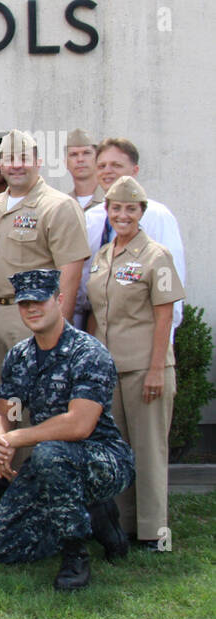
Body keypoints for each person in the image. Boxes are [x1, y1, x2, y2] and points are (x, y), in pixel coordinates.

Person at [0, 269, 134, 590]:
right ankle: (92, 515)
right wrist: (0, 439)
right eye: (24, 304)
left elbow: (79, 425)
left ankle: (74, 553)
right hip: (52, 463)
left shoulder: (88, 353)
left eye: (40, 301)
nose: (31, 309)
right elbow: (6, 410)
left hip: (103, 459)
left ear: (59, 300)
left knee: (50, 453)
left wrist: (18, 437)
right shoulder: (20, 356)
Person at [86, 177, 184, 552]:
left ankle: (155, 532)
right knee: (119, 449)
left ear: (142, 212)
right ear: (108, 212)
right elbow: (97, 311)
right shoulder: (105, 255)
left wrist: (158, 368)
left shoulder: (156, 256)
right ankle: (124, 525)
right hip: (111, 367)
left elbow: (165, 316)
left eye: (130, 208)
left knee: (149, 449)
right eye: (116, 208)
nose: (122, 215)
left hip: (145, 366)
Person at [0, 130, 89, 398]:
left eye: (23, 157)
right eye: (8, 158)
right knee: (5, 401)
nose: (16, 165)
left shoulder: (59, 206)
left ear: (38, 162)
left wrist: (58, 331)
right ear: (0, 164)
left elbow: (70, 275)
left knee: (39, 401)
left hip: (37, 316)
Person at [79, 138, 186, 337]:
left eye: (116, 165)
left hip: (142, 334)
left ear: (135, 171)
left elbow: (171, 288)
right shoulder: (90, 219)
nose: (107, 171)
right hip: (98, 333)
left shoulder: (157, 216)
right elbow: (83, 285)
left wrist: (163, 351)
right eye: (102, 165)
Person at [64, 128, 103, 211]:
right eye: (74, 154)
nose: (80, 159)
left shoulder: (111, 201)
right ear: (65, 162)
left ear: (98, 159)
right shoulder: (61, 204)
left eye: (86, 153)